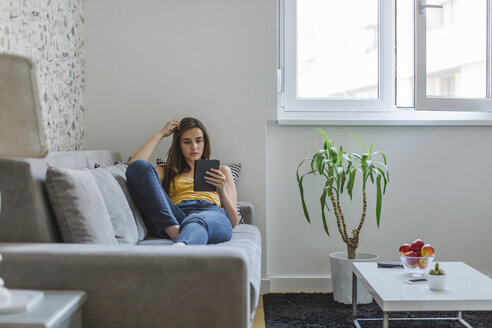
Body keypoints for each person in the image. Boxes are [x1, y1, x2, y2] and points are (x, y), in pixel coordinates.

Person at [125, 117, 238, 245]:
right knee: (139, 166)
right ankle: (176, 233)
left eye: (198, 141)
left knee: (198, 220)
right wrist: (162, 133)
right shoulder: (167, 171)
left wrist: (221, 191)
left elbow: (233, 222)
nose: (194, 147)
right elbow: (133, 168)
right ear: (179, 145)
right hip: (177, 215)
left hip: (211, 214)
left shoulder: (222, 171)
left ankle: (184, 240)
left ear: (205, 142)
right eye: (187, 142)